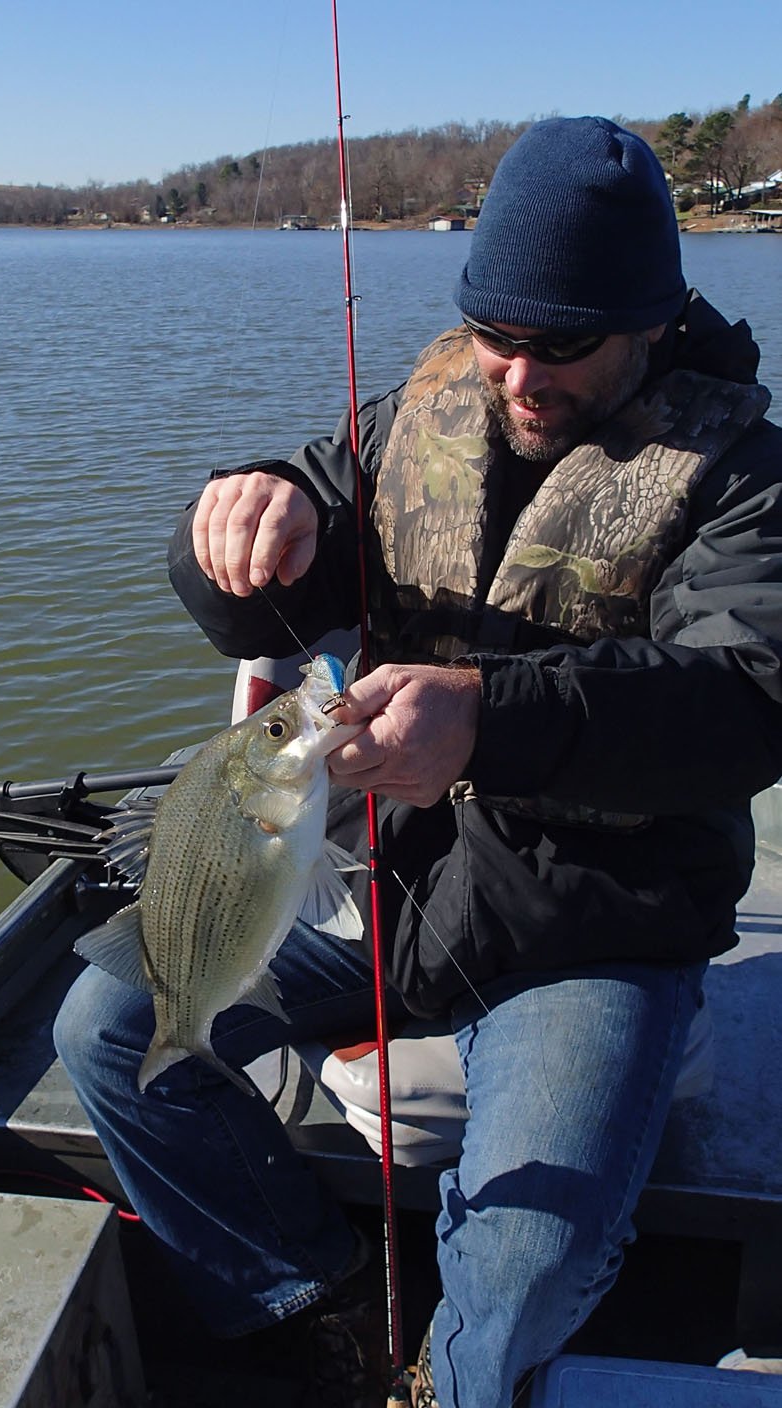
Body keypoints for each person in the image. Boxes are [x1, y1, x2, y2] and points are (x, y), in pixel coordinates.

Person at [54, 116, 782, 1408]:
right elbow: (290, 567)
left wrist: (484, 724)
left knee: (524, 1259)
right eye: (496, 333)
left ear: (654, 322)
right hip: (388, 885)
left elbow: (741, 700)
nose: (516, 373)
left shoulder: (745, 480)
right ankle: (315, 1297)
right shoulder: (421, 413)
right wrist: (234, 524)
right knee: (107, 1026)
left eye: (561, 344)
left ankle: (443, 1384)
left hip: (590, 927)